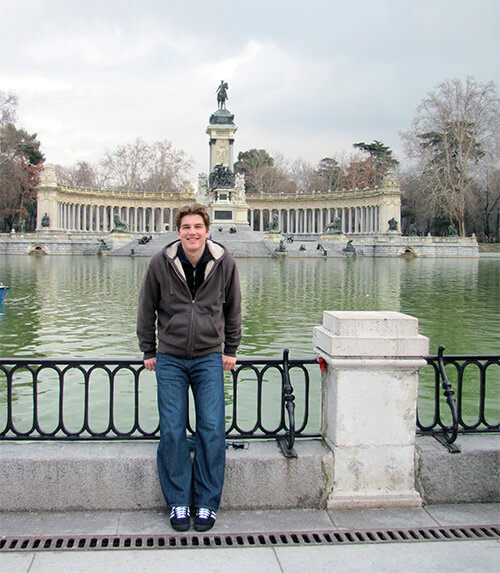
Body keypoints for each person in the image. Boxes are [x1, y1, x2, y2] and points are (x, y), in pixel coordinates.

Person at [137, 203, 242, 532]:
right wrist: (148, 350)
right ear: (178, 231)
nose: (192, 232)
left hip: (209, 355)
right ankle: (179, 501)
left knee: (212, 429)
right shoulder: (160, 262)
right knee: (171, 429)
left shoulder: (225, 262)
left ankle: (208, 502)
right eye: (186, 227)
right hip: (169, 357)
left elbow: (233, 308)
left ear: (207, 231)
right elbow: (146, 308)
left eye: (198, 226)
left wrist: (232, 349)